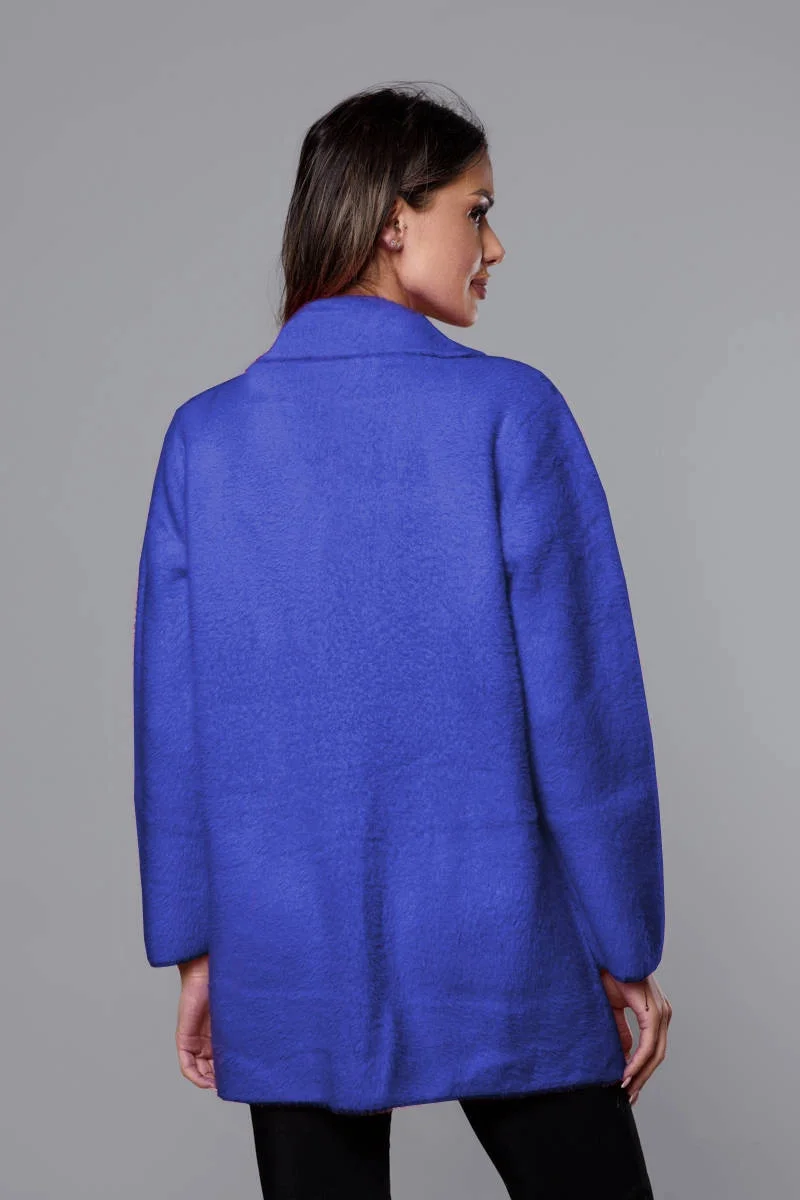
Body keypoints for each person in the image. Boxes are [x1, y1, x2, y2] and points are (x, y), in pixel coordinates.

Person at [133, 81, 671, 1199]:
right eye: (476, 210)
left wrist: (198, 947)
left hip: (284, 938)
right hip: (497, 933)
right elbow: (583, 709)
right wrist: (626, 944)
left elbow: (171, 724)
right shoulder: (509, 413)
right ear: (393, 220)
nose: (494, 245)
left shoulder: (205, 438)